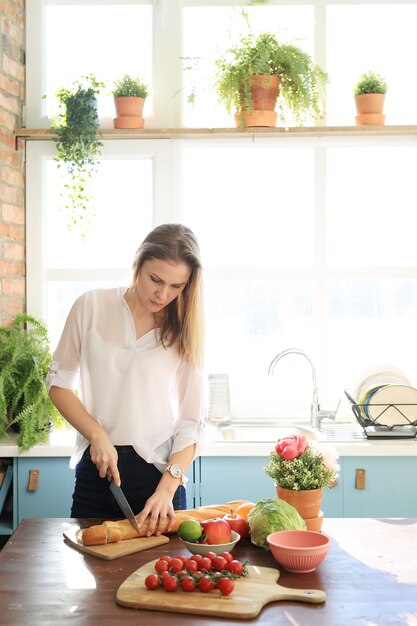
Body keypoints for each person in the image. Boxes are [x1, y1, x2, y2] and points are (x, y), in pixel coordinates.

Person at [47, 223, 205, 536]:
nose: (162, 294)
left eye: (176, 286)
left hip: (160, 481)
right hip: (97, 472)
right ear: (138, 266)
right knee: (91, 573)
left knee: (161, 582)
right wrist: (97, 435)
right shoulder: (90, 306)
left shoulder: (185, 327)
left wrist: (166, 490)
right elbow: (59, 385)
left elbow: (192, 422)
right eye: (155, 280)